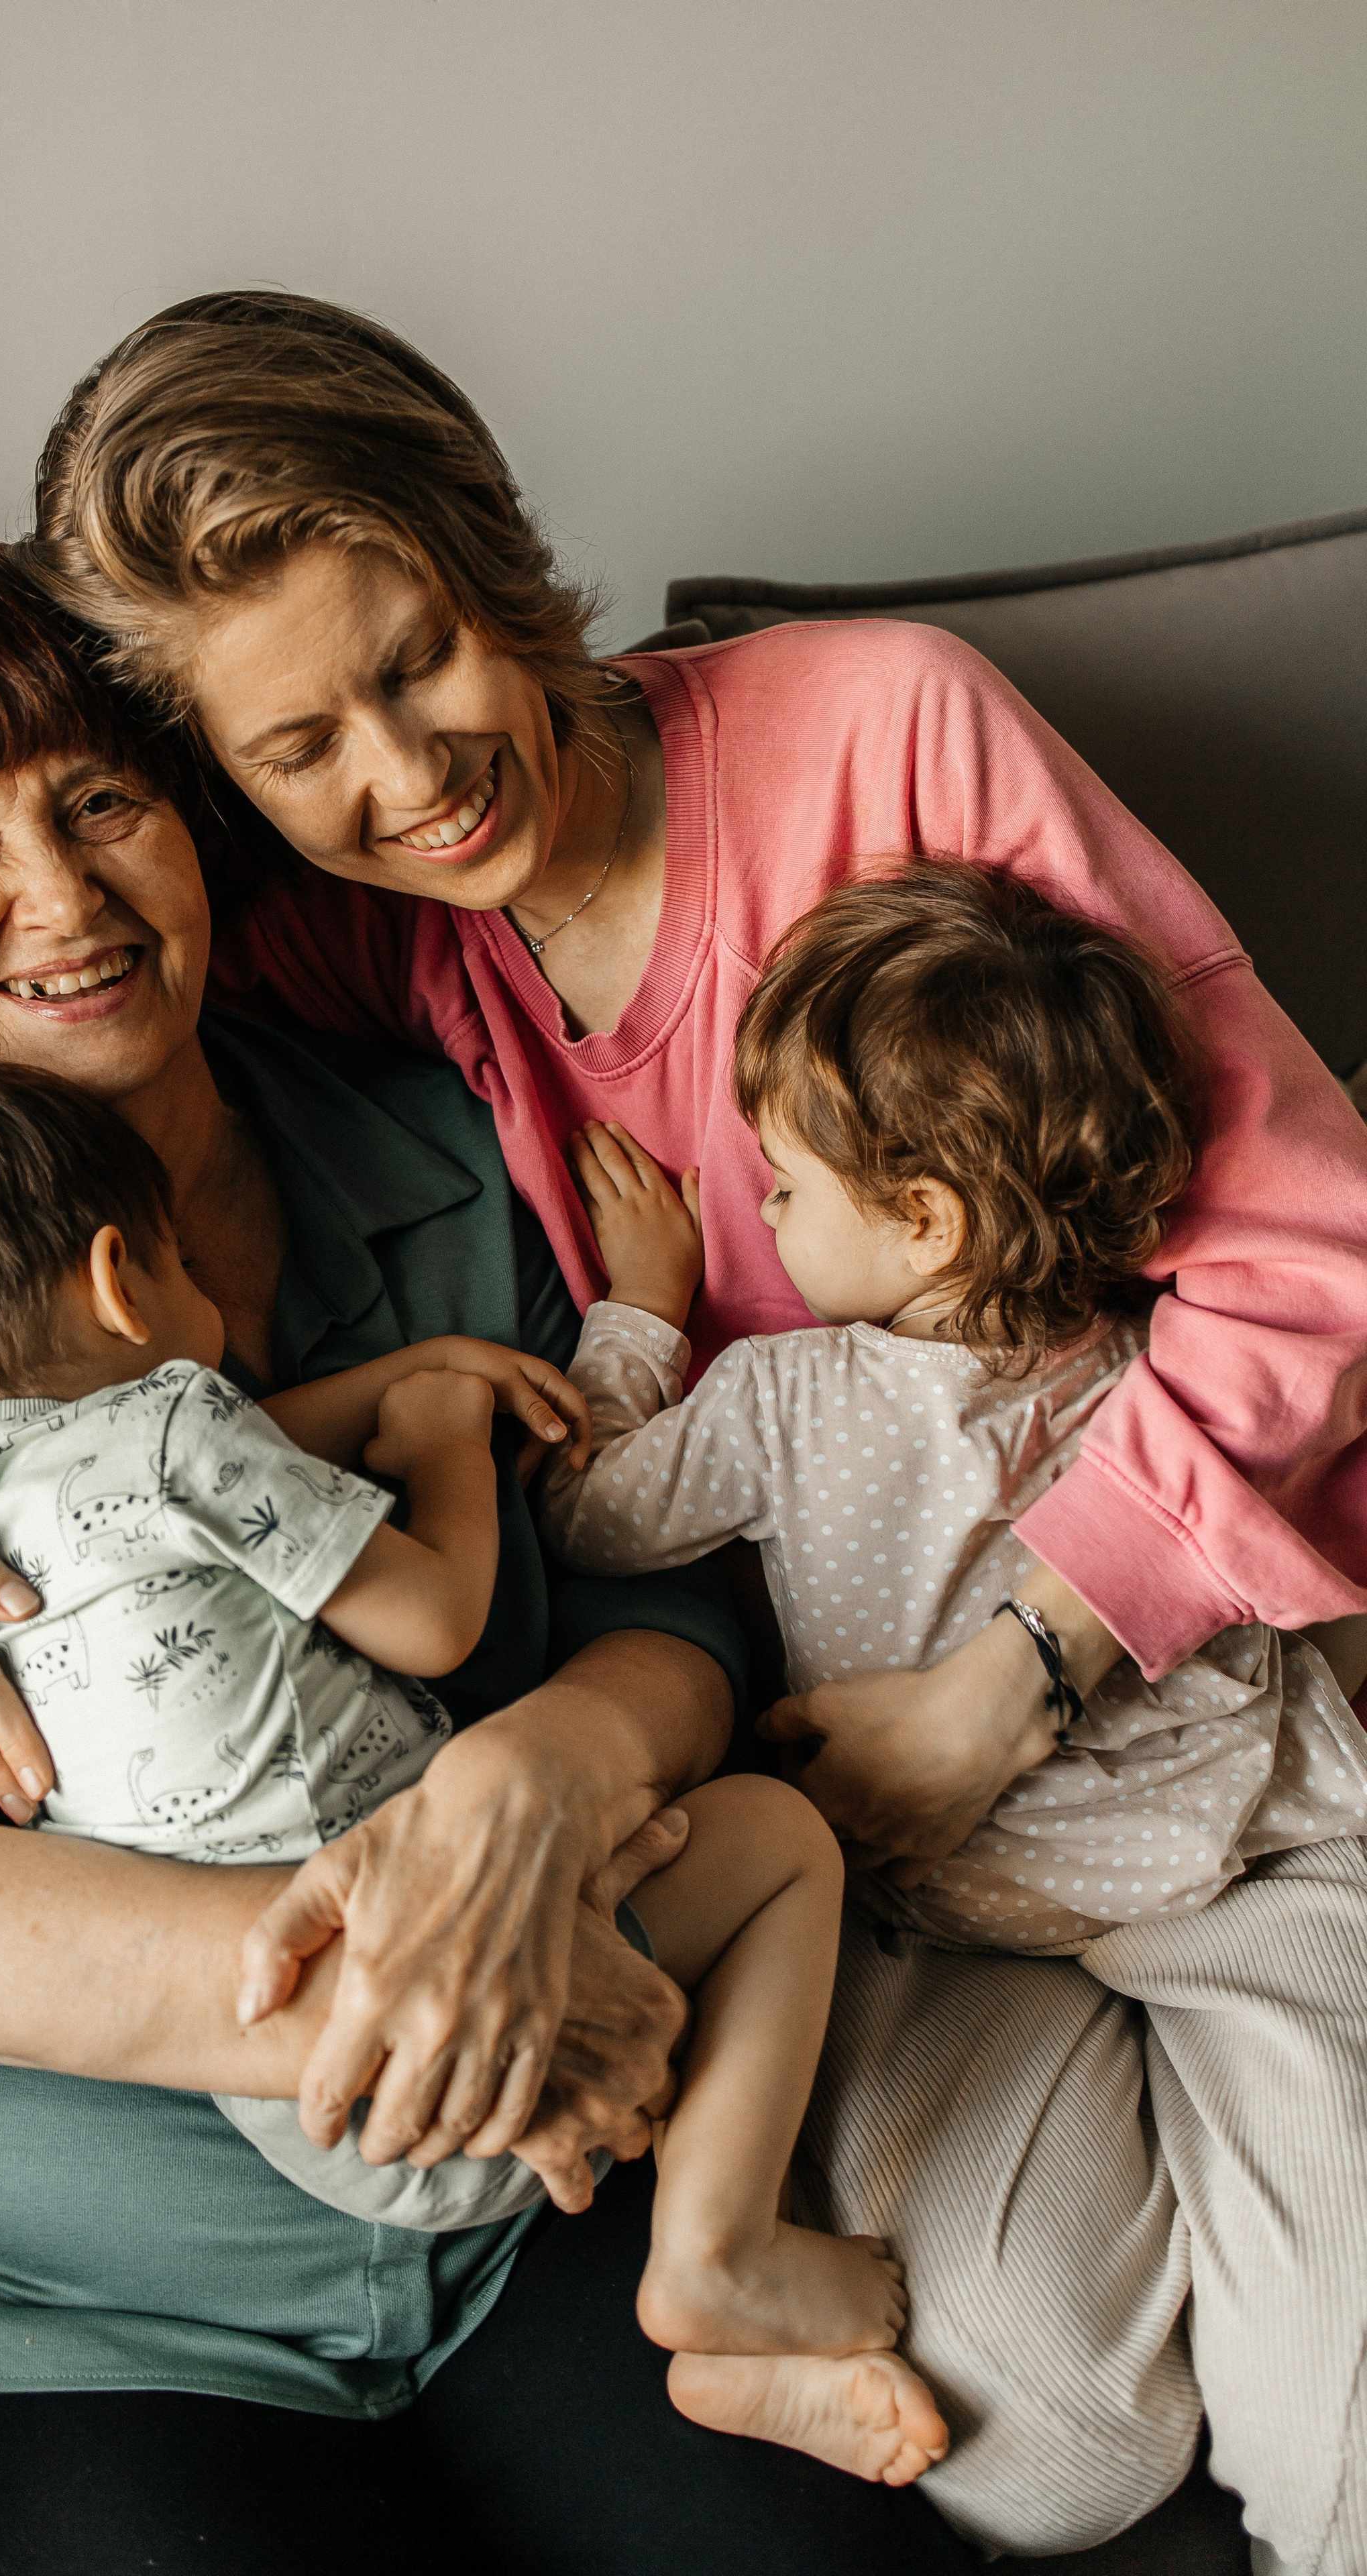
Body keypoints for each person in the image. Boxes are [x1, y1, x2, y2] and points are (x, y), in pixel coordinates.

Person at [0, 292, 1367, 2557]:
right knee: (1060, 2451)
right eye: (298, 745)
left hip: (1120, 1749)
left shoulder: (559, 967)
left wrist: (723, 1741)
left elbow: (1290, 1253)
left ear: (492, 553)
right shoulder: (323, 973)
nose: (402, 770)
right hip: (177, 2240)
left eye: (415, 657)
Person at [0, 545, 979, 2575]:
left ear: (200, 828)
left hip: (528, 2216)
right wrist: (463, 2000)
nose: (64, 901)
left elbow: (669, 1587)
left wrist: (537, 1785)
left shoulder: (438, 1141)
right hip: (45, 2315)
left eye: (102, 804)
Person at [0, 1040, 948, 2487]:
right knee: (776, 1842)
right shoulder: (182, 1421)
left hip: (297, 2094)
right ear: (124, 1276)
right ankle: (718, 2254)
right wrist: (442, 1442)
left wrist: (376, 1384)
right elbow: (432, 1619)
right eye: (178, 1261)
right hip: (465, 2036)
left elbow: (205, 1465)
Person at [535, 863, 1367, 2567]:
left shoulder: (775, 1394)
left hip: (1250, 1883)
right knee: (1059, 2452)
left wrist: (636, 1312)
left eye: (780, 1182)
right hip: (958, 1952)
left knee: (1337, 2410)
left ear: (921, 1220)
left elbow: (579, 1515)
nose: (759, 1214)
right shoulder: (1153, 1363)